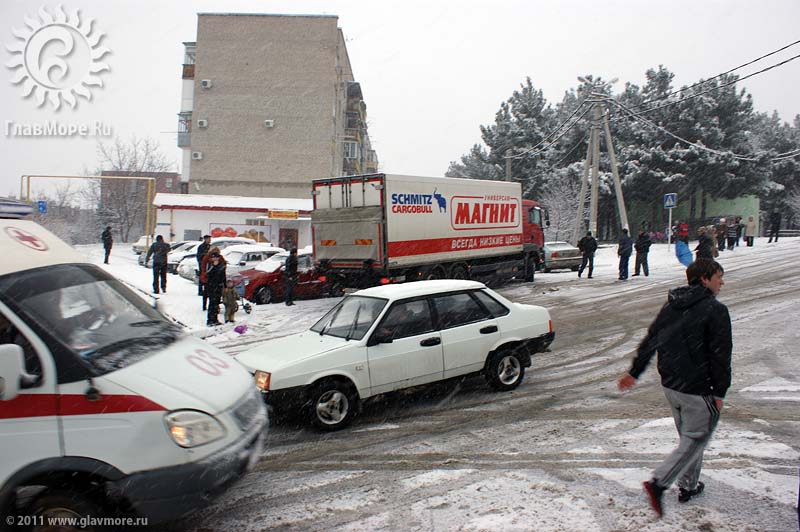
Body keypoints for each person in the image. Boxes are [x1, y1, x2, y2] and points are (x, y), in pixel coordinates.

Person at [617, 259, 731, 518]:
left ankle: (689, 486)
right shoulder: (715, 310)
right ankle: (659, 483)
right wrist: (719, 392)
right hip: (698, 389)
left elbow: (651, 340)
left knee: (689, 439)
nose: (721, 282)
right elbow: (721, 355)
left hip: (672, 386)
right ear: (704, 279)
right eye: (718, 277)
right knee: (696, 439)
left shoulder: (672, 305)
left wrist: (634, 372)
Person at [202, 250, 227, 326]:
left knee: (216, 303)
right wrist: (214, 266)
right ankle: (210, 320)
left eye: (216, 258)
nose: (215, 259)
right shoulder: (210, 265)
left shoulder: (221, 265)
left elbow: (223, 276)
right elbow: (208, 274)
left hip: (218, 286)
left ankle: (215, 319)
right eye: (213, 258)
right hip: (211, 286)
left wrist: (225, 286)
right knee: (212, 303)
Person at [196, 234, 212, 304]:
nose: (209, 240)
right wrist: (202, 260)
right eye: (208, 239)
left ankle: (206, 290)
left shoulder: (209, 246)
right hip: (202, 263)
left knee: (207, 276)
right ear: (205, 239)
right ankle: (200, 290)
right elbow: (199, 256)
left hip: (208, 263)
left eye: (210, 239)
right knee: (201, 276)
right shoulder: (201, 247)